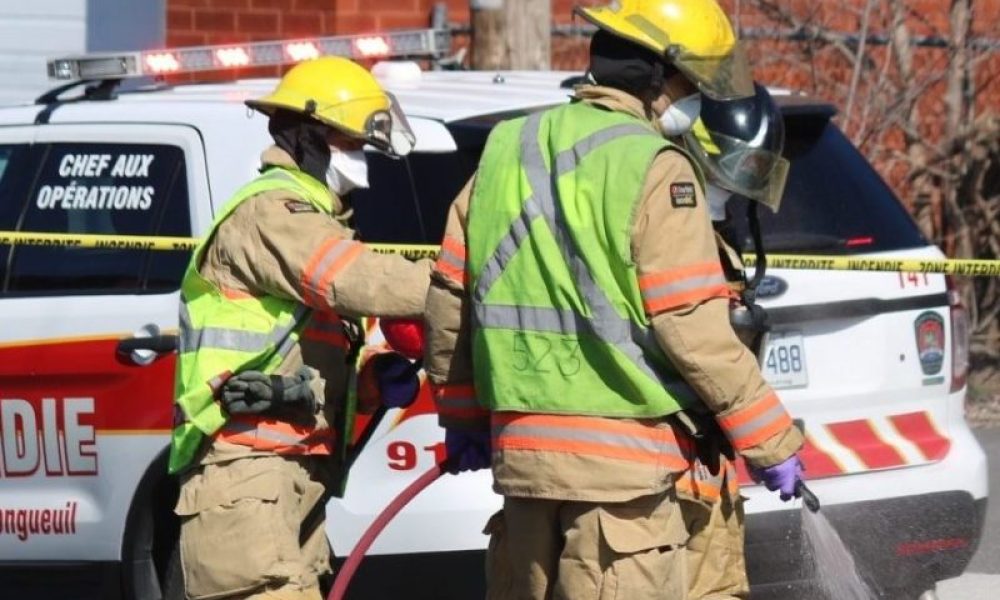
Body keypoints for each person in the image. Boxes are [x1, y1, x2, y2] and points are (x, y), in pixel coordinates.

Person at [422, 1, 805, 598]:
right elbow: (691, 327)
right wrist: (772, 442)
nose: (695, 99)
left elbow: (451, 295)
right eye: (691, 83)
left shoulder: (506, 147)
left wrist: (463, 414)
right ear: (657, 75)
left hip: (523, 472)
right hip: (623, 483)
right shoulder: (656, 167)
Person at [169, 56, 430, 600]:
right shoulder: (271, 213)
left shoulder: (314, 221)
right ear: (309, 138)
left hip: (291, 479)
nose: (360, 158)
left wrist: (369, 384)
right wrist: (462, 282)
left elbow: (304, 355)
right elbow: (357, 279)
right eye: (351, 142)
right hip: (245, 475)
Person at [674, 83, 792, 600]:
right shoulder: (671, 224)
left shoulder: (716, 231)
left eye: (755, 168)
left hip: (705, 458)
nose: (742, 179)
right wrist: (771, 444)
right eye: (736, 164)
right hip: (665, 463)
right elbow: (698, 341)